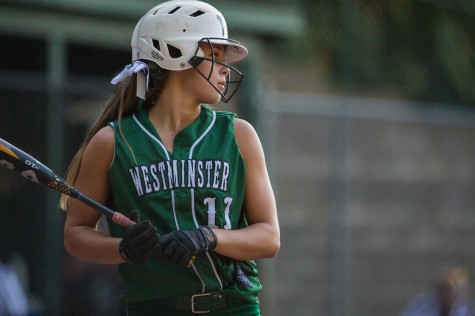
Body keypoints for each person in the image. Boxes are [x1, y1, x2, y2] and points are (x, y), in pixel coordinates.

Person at [60, 0, 280, 315]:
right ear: (175, 53)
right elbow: (75, 234)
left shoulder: (238, 136)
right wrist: (123, 248)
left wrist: (208, 236)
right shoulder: (112, 142)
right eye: (214, 55)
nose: (224, 68)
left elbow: (269, 237)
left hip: (233, 308)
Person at [402, 266, 475, 316]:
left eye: (454, 290)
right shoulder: (419, 308)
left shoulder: (469, 311)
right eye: (444, 288)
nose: (449, 294)